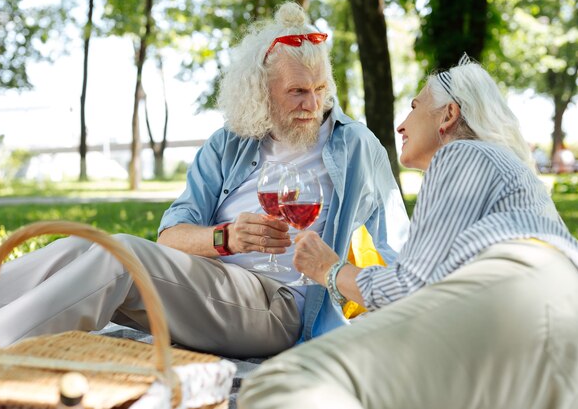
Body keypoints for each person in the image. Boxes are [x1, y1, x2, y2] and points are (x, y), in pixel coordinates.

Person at [0, 2, 409, 364]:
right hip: (213, 281)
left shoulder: (357, 148)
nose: (312, 104)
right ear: (261, 90)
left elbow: (395, 250)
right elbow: (170, 235)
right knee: (87, 246)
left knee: (121, 258)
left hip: (283, 305)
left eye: (319, 89)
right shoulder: (230, 144)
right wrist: (224, 238)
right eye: (296, 92)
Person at [238, 56, 578, 408]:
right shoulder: (499, 166)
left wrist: (330, 270)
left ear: (448, 116)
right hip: (555, 314)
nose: (401, 125)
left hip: (521, 289)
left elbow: (408, 288)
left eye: (415, 107)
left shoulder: (462, 154)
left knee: (286, 381)